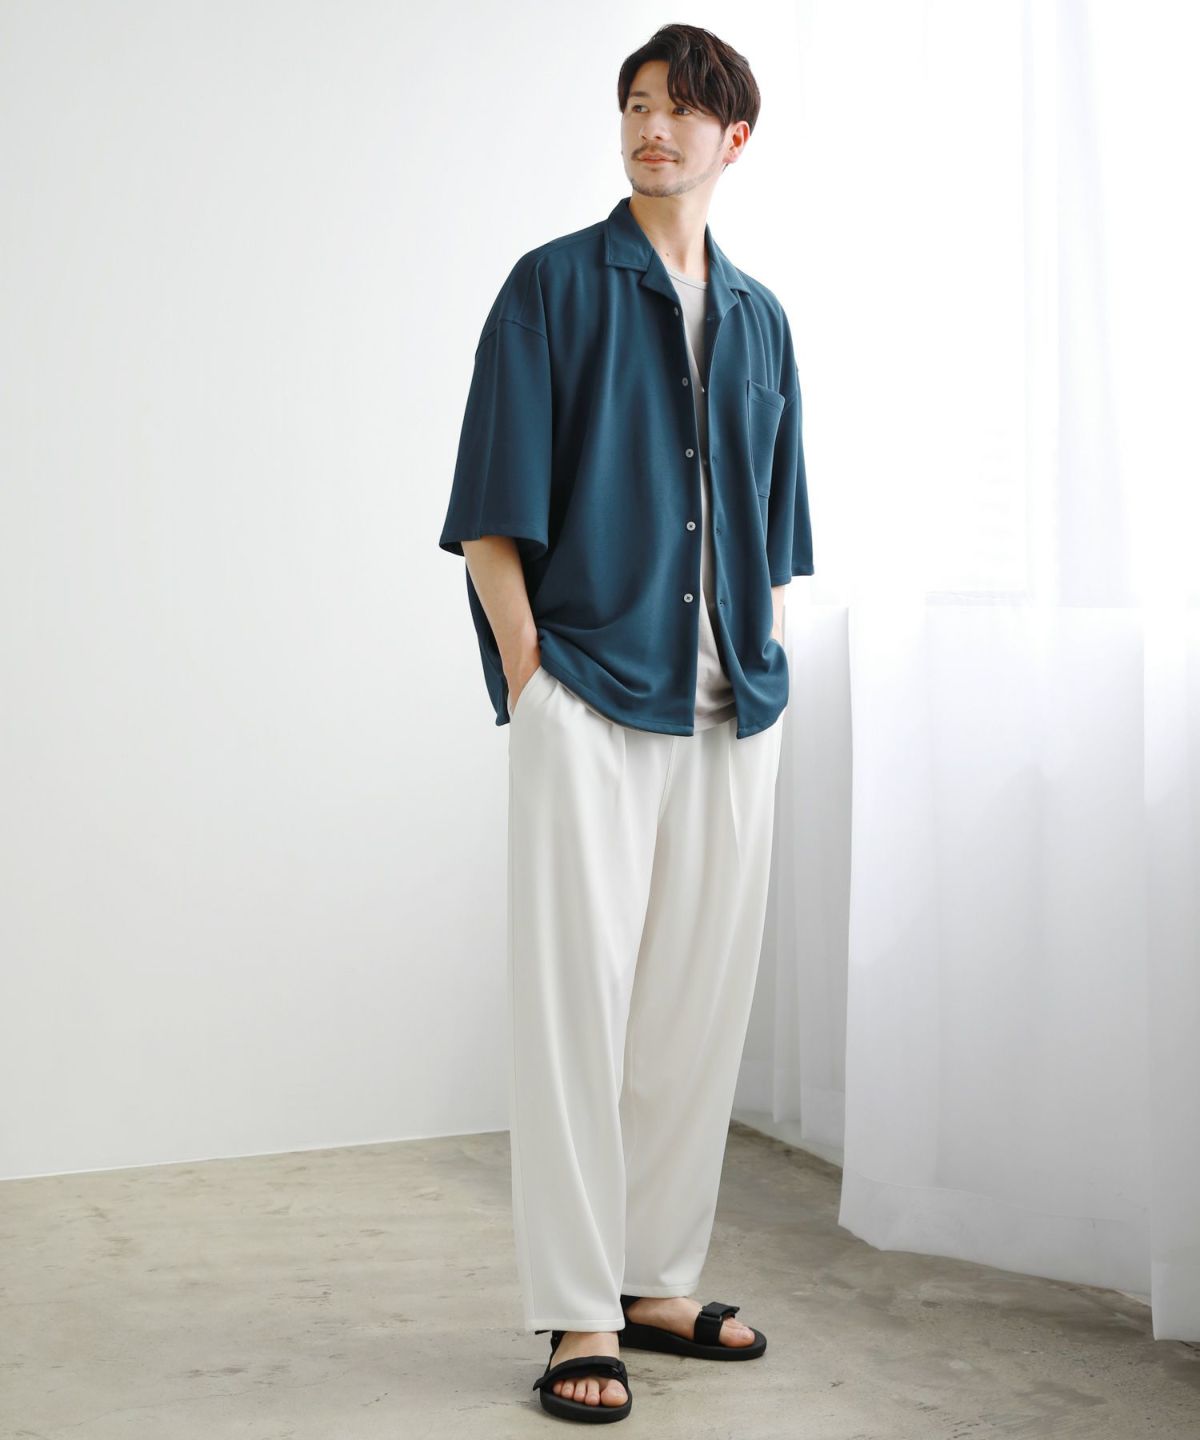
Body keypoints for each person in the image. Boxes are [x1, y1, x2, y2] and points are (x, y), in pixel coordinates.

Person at [438, 22, 813, 1424]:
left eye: (682, 110)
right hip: (589, 695)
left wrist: (764, 661)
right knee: (574, 1017)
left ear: (734, 138)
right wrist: (531, 675)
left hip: (731, 712)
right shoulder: (550, 288)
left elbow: (777, 526)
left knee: (693, 1012)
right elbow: (490, 514)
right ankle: (576, 1312)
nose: (654, 127)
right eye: (637, 104)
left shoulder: (763, 320)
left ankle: (655, 1279)